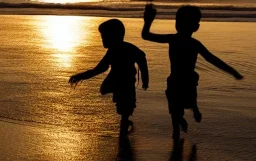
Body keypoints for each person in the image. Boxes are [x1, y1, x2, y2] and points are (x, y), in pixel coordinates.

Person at [142, 4, 243, 139]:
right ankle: (177, 131)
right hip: (175, 80)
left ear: (196, 27)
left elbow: (212, 59)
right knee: (175, 109)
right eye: (179, 22)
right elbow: (146, 36)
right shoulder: (177, 39)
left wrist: (232, 71)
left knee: (188, 102)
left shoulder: (189, 42)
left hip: (188, 81)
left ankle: (193, 111)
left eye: (183, 22)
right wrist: (148, 21)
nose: (180, 25)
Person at [69, 19, 149, 135]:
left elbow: (142, 58)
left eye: (104, 36)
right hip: (116, 80)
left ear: (114, 36)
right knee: (106, 91)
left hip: (127, 83)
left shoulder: (125, 48)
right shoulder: (112, 51)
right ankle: (124, 123)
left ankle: (124, 127)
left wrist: (145, 79)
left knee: (125, 106)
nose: (102, 39)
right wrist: (80, 76)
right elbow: (99, 69)